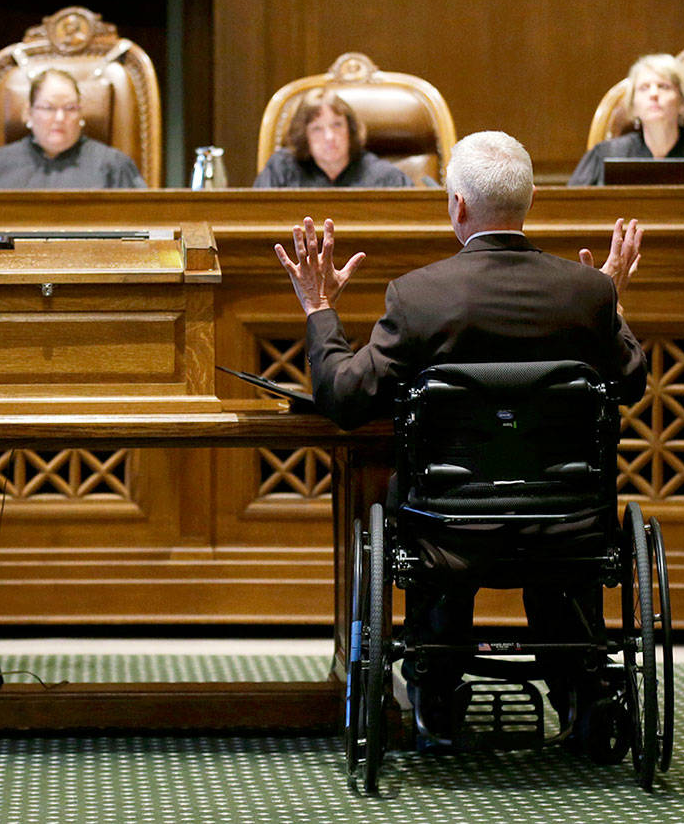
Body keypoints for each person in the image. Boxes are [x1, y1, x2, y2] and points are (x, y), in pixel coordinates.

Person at [275, 130, 648, 742]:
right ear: (530, 201)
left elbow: (343, 398)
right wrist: (613, 307)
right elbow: (630, 383)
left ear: (457, 206)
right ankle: (583, 688)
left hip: (446, 534)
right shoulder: (586, 293)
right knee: (556, 501)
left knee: (419, 497)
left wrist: (319, 308)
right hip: (569, 528)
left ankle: (436, 686)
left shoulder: (419, 296)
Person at [568, 53, 684, 186]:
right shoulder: (606, 154)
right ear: (633, 106)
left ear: (682, 101)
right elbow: (576, 213)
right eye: (644, 88)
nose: (654, 94)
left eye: (664, 86)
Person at [0, 68, 145, 189]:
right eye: (49, 108)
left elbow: (145, 230)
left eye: (70, 108)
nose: (60, 118)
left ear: (81, 114)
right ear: (28, 113)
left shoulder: (115, 166)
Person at [254, 88, 412, 188]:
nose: (329, 137)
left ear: (350, 130)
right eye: (317, 129)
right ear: (304, 136)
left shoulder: (385, 177)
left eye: (337, 125)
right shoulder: (281, 170)